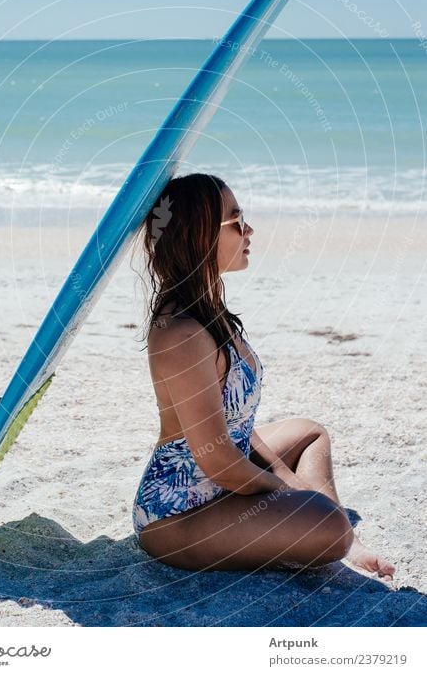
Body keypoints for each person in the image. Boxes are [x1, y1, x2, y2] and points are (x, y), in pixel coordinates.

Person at [131, 173, 395, 580]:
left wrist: (292, 486)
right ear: (200, 236)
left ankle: (328, 522)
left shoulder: (209, 312)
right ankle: (332, 526)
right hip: (178, 516)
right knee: (329, 529)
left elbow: (238, 430)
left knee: (308, 433)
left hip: (224, 480)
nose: (248, 229)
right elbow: (218, 461)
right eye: (236, 222)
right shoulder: (181, 334)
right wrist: (288, 493)